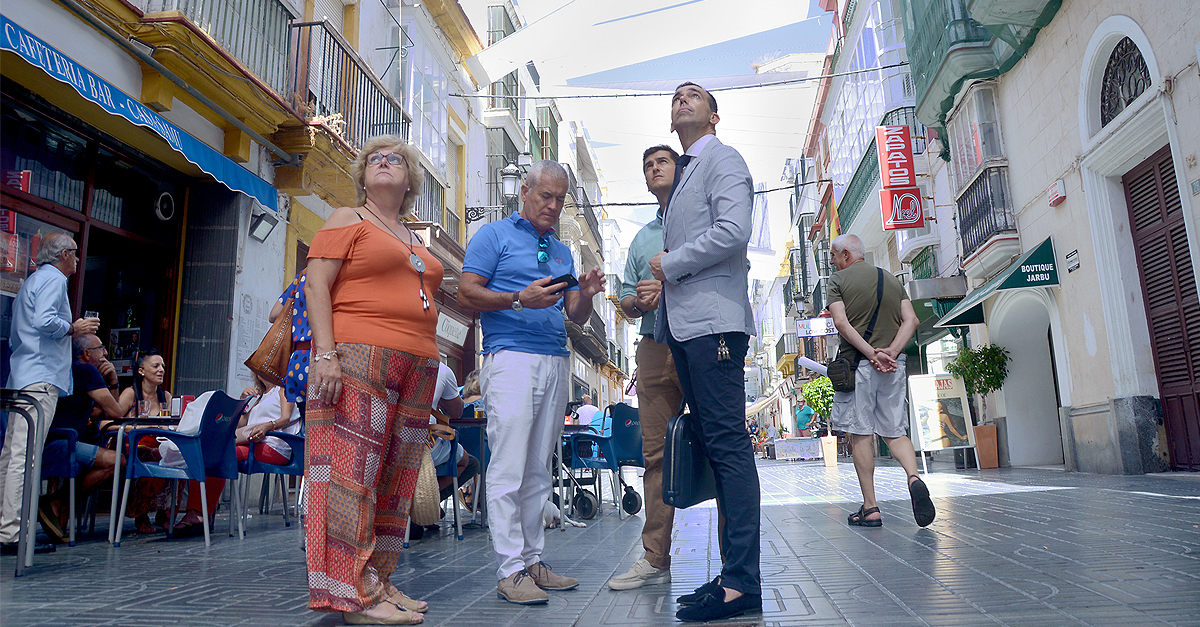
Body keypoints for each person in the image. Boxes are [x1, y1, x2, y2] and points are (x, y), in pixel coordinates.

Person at [304, 135, 440, 625]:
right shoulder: (348, 219)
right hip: (360, 354)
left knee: (395, 481)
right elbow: (315, 282)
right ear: (363, 176)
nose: (383, 163)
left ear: (410, 180)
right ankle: (350, 595)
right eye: (374, 159)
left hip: (418, 364)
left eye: (395, 159)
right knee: (349, 477)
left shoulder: (411, 236)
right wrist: (325, 354)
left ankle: (378, 579)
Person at [458, 160, 604, 606]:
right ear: (524, 191)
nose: (554, 206)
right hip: (510, 358)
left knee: (540, 467)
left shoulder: (562, 251)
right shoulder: (492, 236)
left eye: (560, 199)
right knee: (508, 465)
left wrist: (586, 294)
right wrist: (518, 299)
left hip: (556, 359)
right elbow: (466, 292)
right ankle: (509, 570)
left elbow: (572, 316)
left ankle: (532, 561)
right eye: (546, 196)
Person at [648, 82, 762, 622]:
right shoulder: (687, 171)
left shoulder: (722, 159)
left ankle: (742, 582)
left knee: (728, 446)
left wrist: (670, 263)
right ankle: (734, 574)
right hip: (689, 328)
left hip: (715, 326)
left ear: (715, 115)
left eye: (694, 95)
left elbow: (735, 232)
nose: (682, 99)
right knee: (718, 450)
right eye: (676, 97)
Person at [607, 144, 687, 592]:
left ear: (681, 170)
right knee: (655, 455)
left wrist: (669, 281)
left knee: (723, 447)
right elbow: (624, 296)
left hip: (702, 343)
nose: (654, 168)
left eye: (663, 162)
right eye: (647, 165)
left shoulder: (703, 220)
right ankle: (655, 557)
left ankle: (734, 562)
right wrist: (636, 300)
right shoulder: (640, 239)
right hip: (655, 347)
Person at [827, 233, 933, 528]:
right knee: (894, 430)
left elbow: (840, 322)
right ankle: (913, 477)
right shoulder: (890, 278)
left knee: (860, 433)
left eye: (834, 257)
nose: (833, 263)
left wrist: (872, 354)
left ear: (846, 254)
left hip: (859, 365)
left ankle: (871, 507)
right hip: (893, 365)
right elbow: (911, 320)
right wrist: (891, 352)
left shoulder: (837, 282)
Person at [1, 232, 97, 555]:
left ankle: (6, 525)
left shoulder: (32, 281)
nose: (78, 260)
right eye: (75, 253)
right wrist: (74, 328)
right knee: (25, 457)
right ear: (64, 255)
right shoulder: (55, 281)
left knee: (12, 455)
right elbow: (45, 321)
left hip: (23, 374)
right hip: (41, 378)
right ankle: (12, 532)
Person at [38, 333, 128, 543]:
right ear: (87, 354)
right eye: (101, 348)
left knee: (98, 460)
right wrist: (114, 381)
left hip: (56, 440)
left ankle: (58, 511)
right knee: (117, 461)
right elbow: (116, 412)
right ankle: (57, 501)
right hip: (59, 443)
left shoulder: (73, 370)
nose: (106, 354)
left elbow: (105, 412)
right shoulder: (85, 370)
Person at [410, 363, 479, 541]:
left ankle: (420, 504)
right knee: (468, 462)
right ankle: (424, 504)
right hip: (425, 444)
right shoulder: (441, 369)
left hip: (392, 444)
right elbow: (456, 411)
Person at [114, 349, 175, 534]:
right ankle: (140, 514)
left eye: (163, 366)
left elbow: (172, 425)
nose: (161, 370)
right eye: (155, 366)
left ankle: (165, 513)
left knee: (177, 458)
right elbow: (111, 423)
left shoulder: (166, 397)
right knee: (151, 457)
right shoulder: (131, 394)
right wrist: (135, 428)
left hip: (159, 443)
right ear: (141, 371)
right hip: (134, 444)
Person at [270, 270, 310, 418]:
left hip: (298, 364)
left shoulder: (302, 275)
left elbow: (274, 314)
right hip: (323, 362)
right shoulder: (339, 273)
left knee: (310, 434)